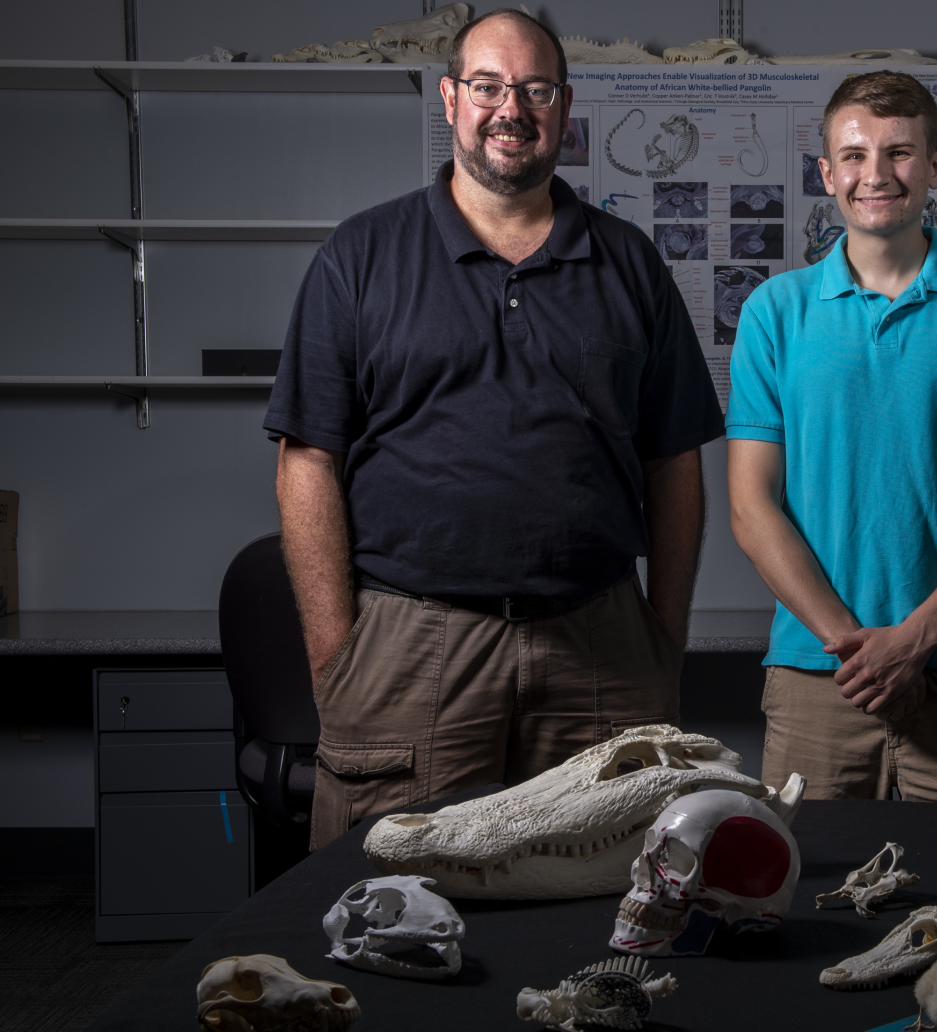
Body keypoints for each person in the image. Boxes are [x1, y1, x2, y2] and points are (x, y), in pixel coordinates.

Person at [265, 8, 723, 849]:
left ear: (564, 106)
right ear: (450, 99)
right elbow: (307, 458)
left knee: (613, 903)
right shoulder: (360, 256)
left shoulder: (629, 263)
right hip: (413, 640)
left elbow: (675, 458)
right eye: (487, 86)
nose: (511, 107)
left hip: (600, 642)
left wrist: (662, 634)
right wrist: (338, 654)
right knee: (389, 898)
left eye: (535, 88)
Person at [727, 70, 937, 802]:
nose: (875, 174)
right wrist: (862, 651)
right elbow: (752, 507)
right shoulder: (773, 312)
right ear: (826, 173)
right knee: (800, 901)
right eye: (853, 155)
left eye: (900, 152)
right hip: (821, 671)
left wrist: (915, 640)